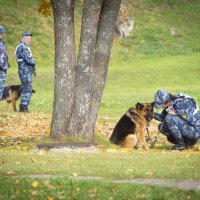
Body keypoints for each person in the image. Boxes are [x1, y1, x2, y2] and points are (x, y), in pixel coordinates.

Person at [15, 31, 36, 112]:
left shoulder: (23, 46)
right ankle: (24, 106)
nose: (29, 39)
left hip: (25, 70)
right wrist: (34, 62)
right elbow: (28, 60)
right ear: (23, 37)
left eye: (30, 38)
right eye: (27, 38)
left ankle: (23, 106)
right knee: (27, 88)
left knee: (26, 87)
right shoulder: (23, 47)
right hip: (25, 70)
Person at [0, 26, 10, 100]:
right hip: (1, 68)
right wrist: (2, 66)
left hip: (3, 68)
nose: (2, 34)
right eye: (1, 32)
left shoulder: (1, 43)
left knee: (1, 86)